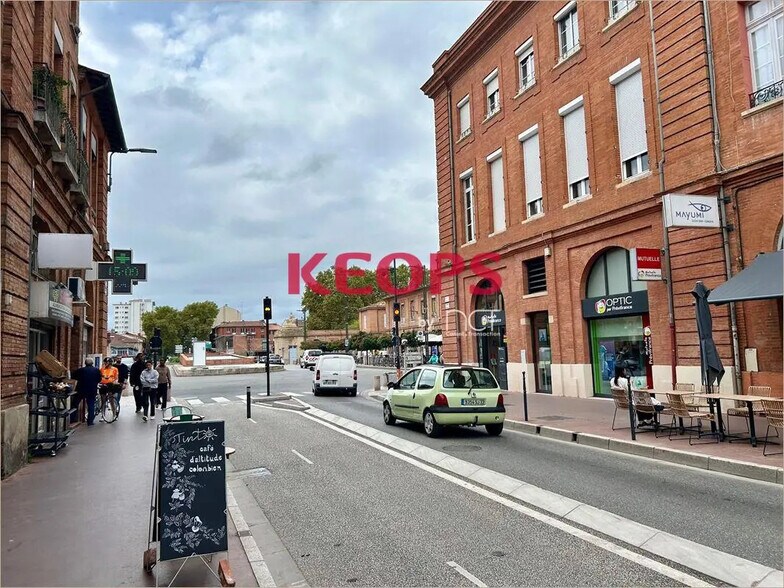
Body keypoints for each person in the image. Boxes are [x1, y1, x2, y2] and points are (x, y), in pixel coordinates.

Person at [72, 358, 101, 425]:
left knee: (75, 404)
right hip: (92, 390)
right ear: (92, 363)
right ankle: (90, 421)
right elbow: (99, 379)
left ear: (85, 363)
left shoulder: (81, 370)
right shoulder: (96, 370)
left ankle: (72, 419)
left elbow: (73, 376)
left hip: (81, 389)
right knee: (91, 405)